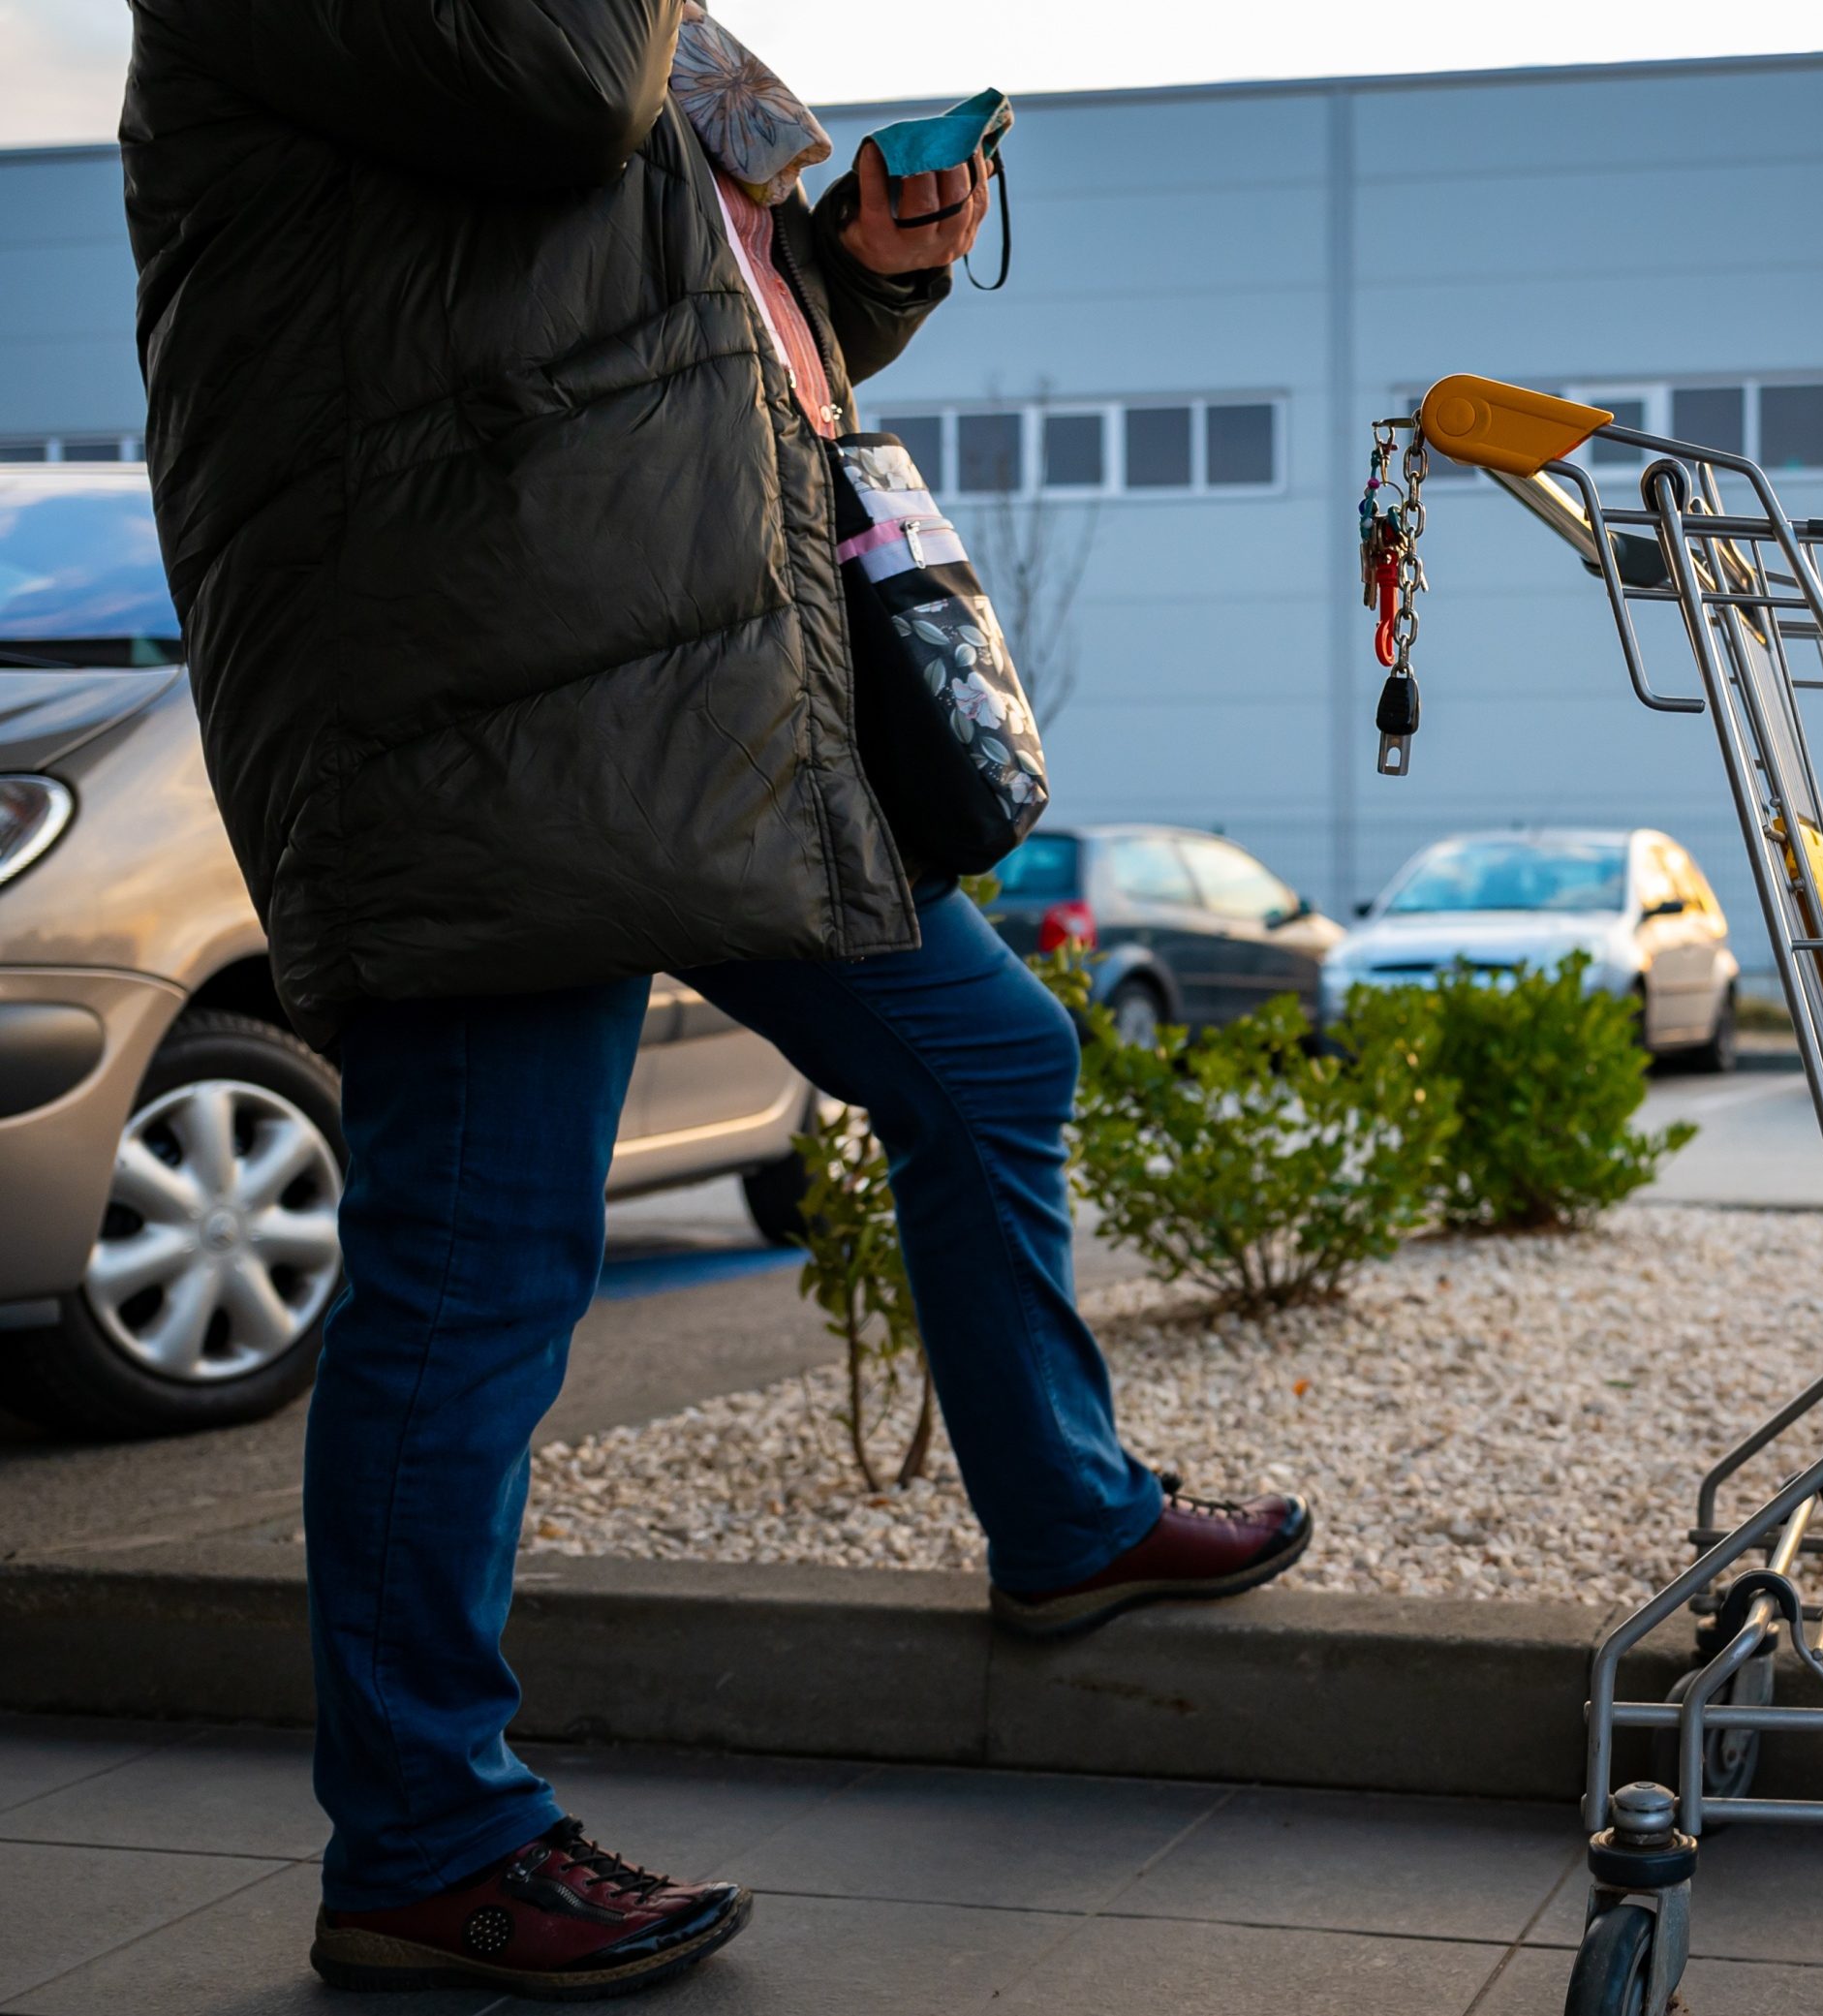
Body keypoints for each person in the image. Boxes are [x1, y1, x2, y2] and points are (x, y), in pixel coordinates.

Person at [119, 3, 1308, 1999]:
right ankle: (424, 1842)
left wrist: (854, 266)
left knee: (991, 1054)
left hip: (678, 685)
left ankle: (1064, 1517)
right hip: (480, 688)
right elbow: (562, 93)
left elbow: (680, 320)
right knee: (480, 1258)